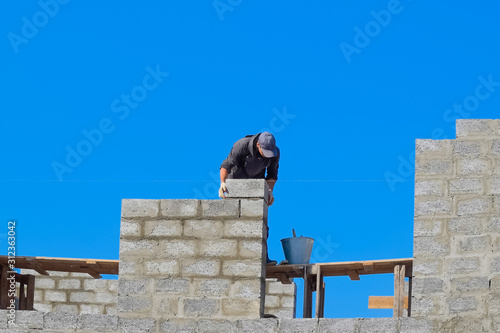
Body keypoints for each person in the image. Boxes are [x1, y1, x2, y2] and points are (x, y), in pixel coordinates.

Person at [219, 132, 280, 265]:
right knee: (234, 219)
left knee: (260, 221)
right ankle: (229, 257)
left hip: (257, 183)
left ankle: (263, 257)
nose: (267, 154)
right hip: (236, 181)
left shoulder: (274, 153)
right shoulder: (242, 145)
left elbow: (272, 174)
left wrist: (269, 191)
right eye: (264, 151)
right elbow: (226, 164)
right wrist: (223, 183)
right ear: (258, 144)